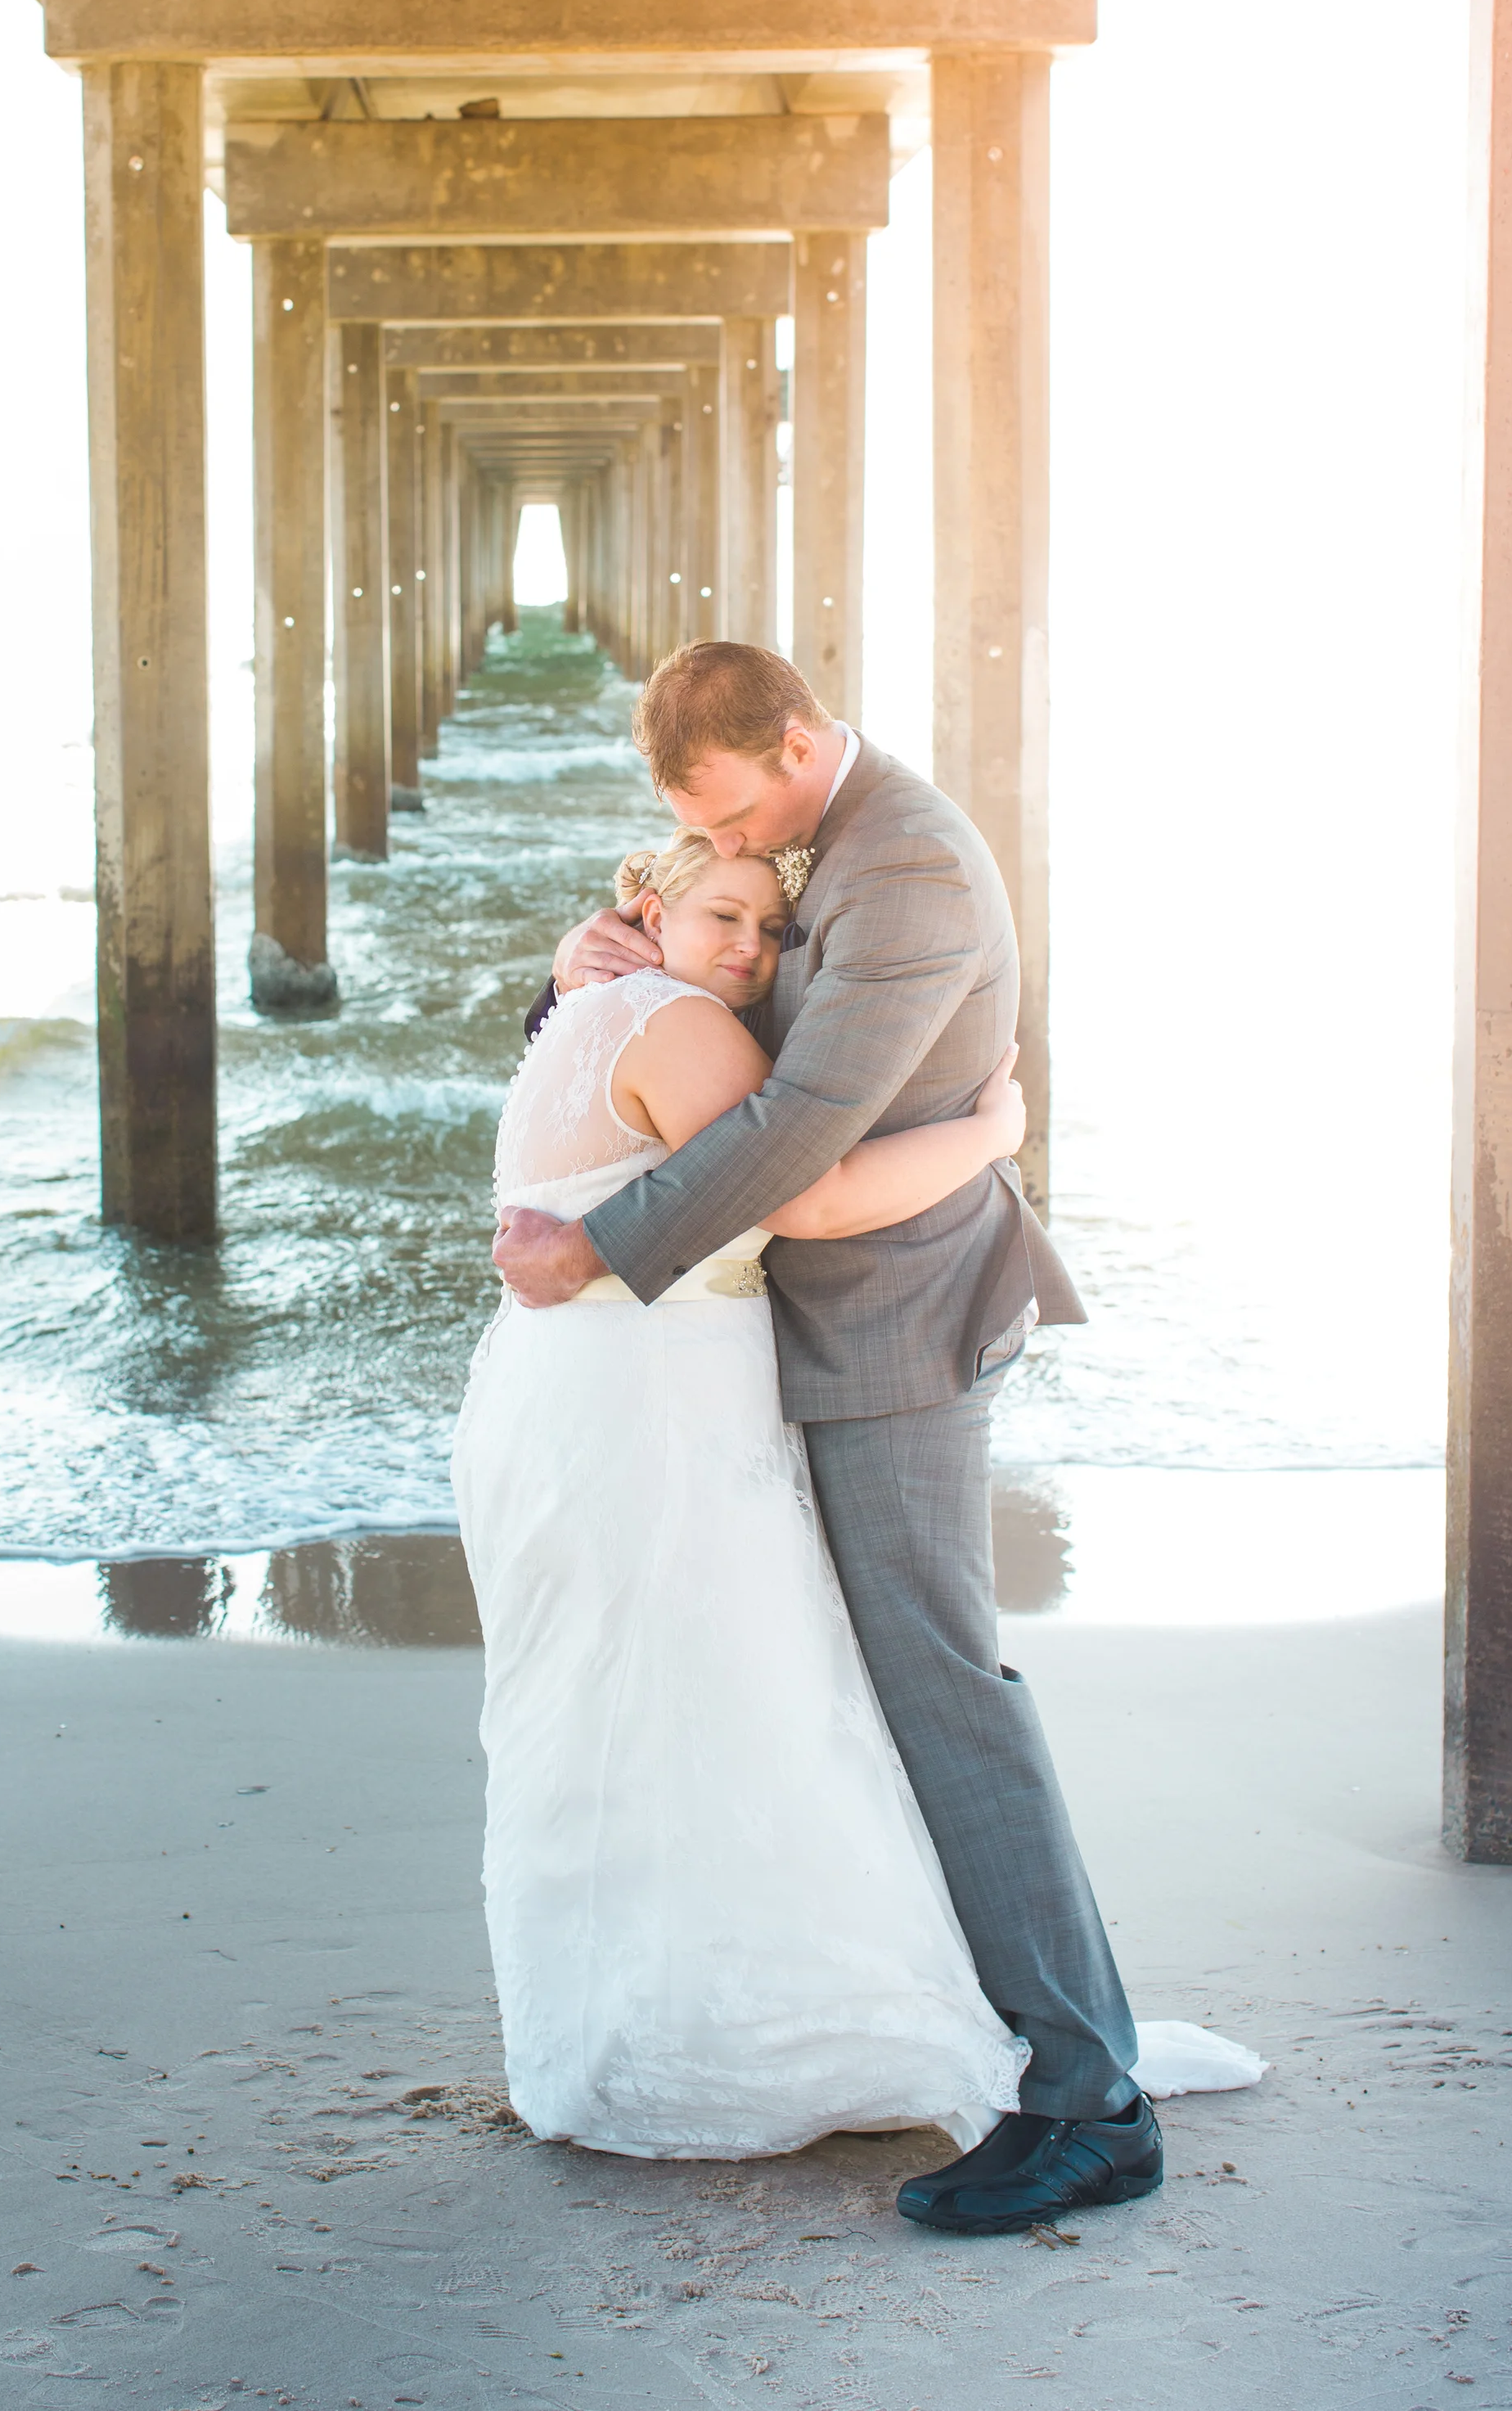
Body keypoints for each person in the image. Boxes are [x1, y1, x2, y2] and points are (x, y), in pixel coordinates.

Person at [489, 643, 1256, 2233]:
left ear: (791, 741)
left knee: (944, 1693)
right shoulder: (804, 849)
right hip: (813, 1327)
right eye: (698, 835)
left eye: (725, 808)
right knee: (883, 1690)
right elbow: (700, 1031)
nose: (733, 851)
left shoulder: (899, 866)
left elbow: (792, 1135)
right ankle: (1009, 2026)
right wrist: (590, 976)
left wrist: (599, 1244)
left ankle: (1086, 2101)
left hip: (898, 1331)